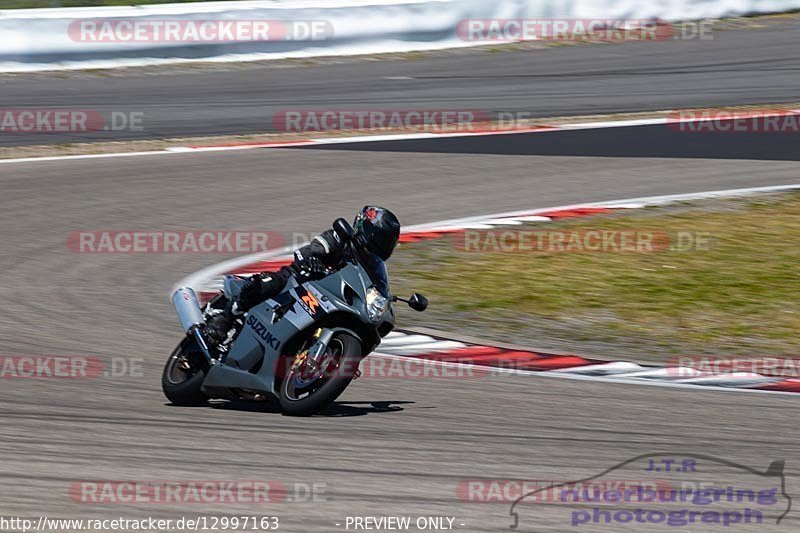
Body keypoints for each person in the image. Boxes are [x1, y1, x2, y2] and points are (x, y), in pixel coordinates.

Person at [205, 206, 401, 343]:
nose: (383, 245)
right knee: (268, 283)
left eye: (388, 241)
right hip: (298, 281)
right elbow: (311, 249)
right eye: (381, 239)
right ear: (366, 230)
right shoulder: (340, 238)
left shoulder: (372, 267)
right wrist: (313, 259)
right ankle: (224, 319)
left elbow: (373, 288)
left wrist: (385, 302)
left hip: (326, 303)